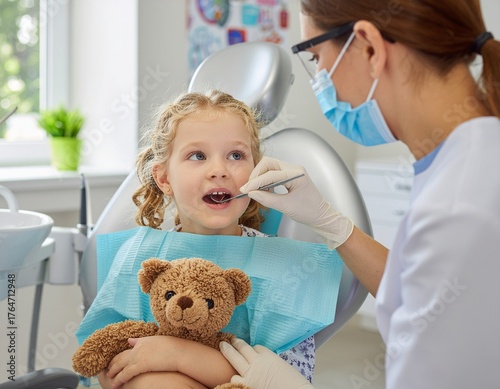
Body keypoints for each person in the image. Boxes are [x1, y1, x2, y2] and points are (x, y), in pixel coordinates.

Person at [218, 1, 500, 388]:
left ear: (368, 46)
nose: (319, 77)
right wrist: (331, 224)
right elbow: (421, 294)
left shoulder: (459, 210)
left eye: (316, 58)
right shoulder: (466, 160)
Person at [77, 90, 316, 389]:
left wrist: (178, 356)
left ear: (257, 170)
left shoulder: (283, 267)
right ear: (164, 179)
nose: (219, 170)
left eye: (236, 155)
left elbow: (287, 380)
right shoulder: (138, 257)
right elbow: (105, 364)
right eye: (198, 156)